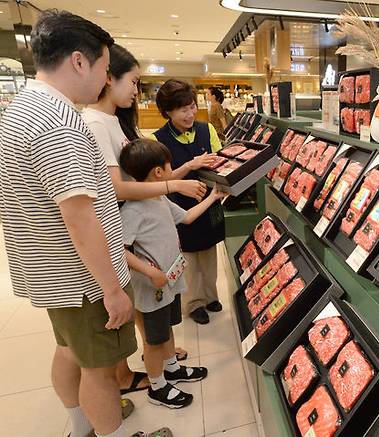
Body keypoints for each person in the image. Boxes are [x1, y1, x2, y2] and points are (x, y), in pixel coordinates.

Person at [0, 10, 168, 437]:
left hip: (48, 271)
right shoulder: (59, 122)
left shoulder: (21, 108)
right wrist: (111, 289)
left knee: (69, 349)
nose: (105, 81)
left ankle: (80, 426)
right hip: (82, 279)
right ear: (79, 61)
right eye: (104, 69)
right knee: (98, 369)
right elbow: (78, 213)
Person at [81, 44, 200, 395]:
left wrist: (183, 173)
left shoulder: (115, 122)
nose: (136, 90)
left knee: (159, 319)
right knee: (150, 319)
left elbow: (147, 181)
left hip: (153, 247)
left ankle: (166, 362)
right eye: (132, 81)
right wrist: (174, 183)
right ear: (108, 77)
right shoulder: (96, 124)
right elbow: (120, 188)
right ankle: (158, 374)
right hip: (135, 246)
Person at [119, 139, 223, 408]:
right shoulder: (133, 209)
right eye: (169, 166)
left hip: (170, 281)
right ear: (158, 172)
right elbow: (120, 249)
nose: (172, 169)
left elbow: (186, 218)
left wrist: (213, 197)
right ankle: (157, 386)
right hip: (152, 286)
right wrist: (149, 272)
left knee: (167, 330)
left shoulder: (158, 198)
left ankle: (172, 367)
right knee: (155, 340)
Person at [151, 79, 226, 325]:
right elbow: (161, 181)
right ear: (168, 112)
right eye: (183, 109)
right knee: (189, 258)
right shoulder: (157, 140)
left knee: (209, 253)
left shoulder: (207, 130)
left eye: (192, 106)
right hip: (180, 207)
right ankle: (193, 303)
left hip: (209, 202)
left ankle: (210, 295)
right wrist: (191, 165)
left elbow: (221, 161)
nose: (190, 113)